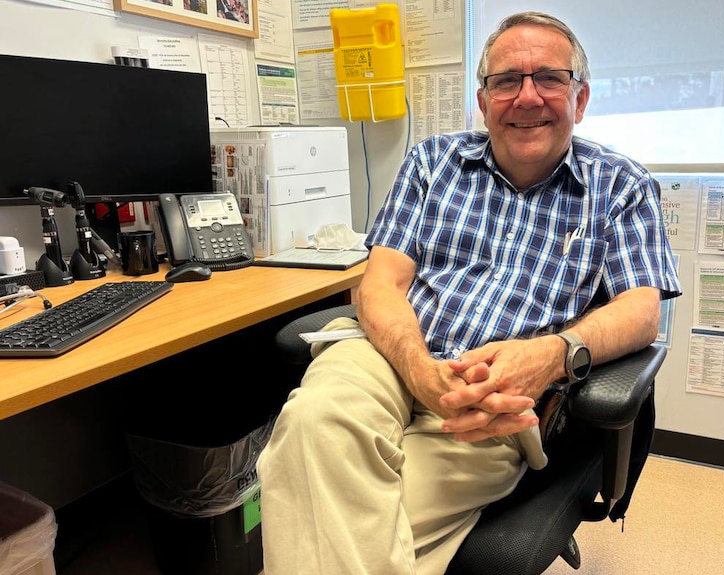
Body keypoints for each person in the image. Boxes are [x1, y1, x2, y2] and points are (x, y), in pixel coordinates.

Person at [257, 11, 682, 575]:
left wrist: (551, 353)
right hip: (386, 353)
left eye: (550, 78)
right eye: (506, 80)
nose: (526, 97)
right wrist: (417, 369)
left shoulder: (620, 184)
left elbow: (641, 311)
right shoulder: (432, 164)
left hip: (498, 391)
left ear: (579, 100)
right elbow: (380, 283)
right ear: (483, 103)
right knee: (313, 421)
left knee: (332, 519)